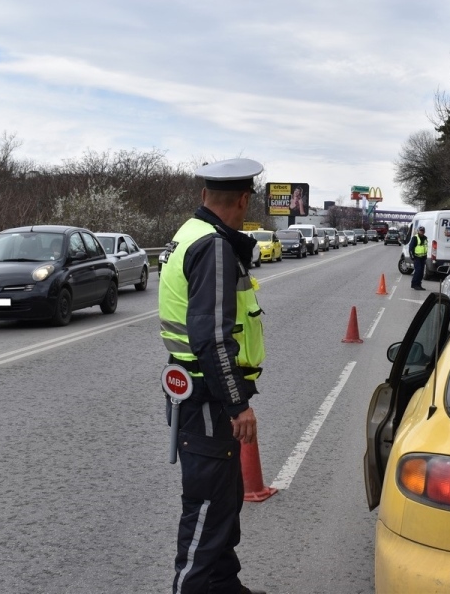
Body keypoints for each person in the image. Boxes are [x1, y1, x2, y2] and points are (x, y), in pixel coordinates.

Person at [158, 158, 267, 594]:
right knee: (206, 508)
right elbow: (213, 338)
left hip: (193, 388)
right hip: (207, 396)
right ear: (243, 201)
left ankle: (225, 588)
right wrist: (237, 404)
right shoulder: (215, 247)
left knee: (223, 503)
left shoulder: (189, 233)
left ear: (204, 197)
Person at [409, 226, 428, 290]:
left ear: (424, 231)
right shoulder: (415, 238)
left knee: (421, 272)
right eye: (420, 231)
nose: (422, 232)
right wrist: (412, 257)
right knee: (418, 271)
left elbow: (425, 247)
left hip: (423, 258)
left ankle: (419, 284)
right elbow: (411, 248)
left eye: (423, 231)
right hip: (417, 257)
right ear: (418, 231)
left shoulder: (425, 238)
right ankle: (414, 284)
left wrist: (425, 256)